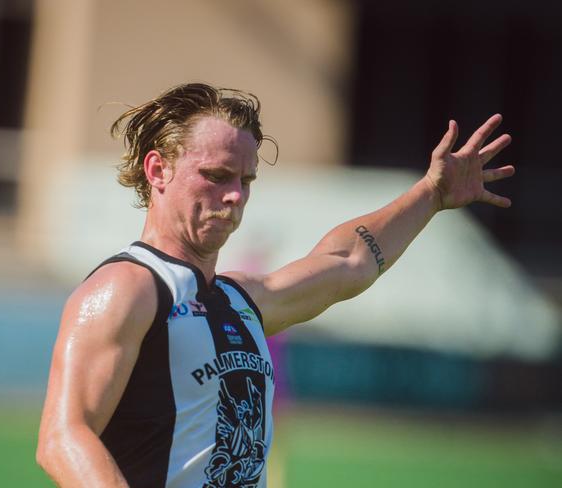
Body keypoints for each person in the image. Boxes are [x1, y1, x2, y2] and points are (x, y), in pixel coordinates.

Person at [36, 83, 514, 487]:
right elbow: (63, 436)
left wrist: (430, 194)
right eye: (216, 176)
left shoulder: (240, 300)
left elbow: (349, 260)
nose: (235, 196)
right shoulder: (128, 288)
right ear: (157, 170)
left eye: (246, 180)